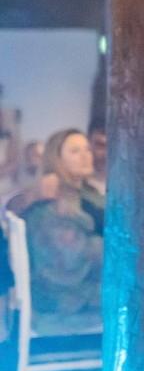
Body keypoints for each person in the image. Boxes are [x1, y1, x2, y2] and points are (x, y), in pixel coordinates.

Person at [18, 129, 104, 320]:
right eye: (75, 151)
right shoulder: (51, 199)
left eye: (87, 149)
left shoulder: (87, 193)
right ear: (56, 158)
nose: (85, 156)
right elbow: (68, 259)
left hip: (83, 281)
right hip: (65, 295)